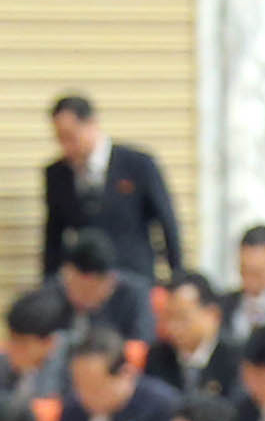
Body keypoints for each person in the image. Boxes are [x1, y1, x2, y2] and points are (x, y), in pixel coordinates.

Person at [42, 93, 182, 283]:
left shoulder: (137, 165)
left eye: (71, 137)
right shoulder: (57, 173)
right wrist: (50, 283)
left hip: (134, 276)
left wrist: (177, 277)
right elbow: (53, 236)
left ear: (91, 124)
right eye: (60, 139)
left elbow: (167, 221)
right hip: (87, 283)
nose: (66, 146)